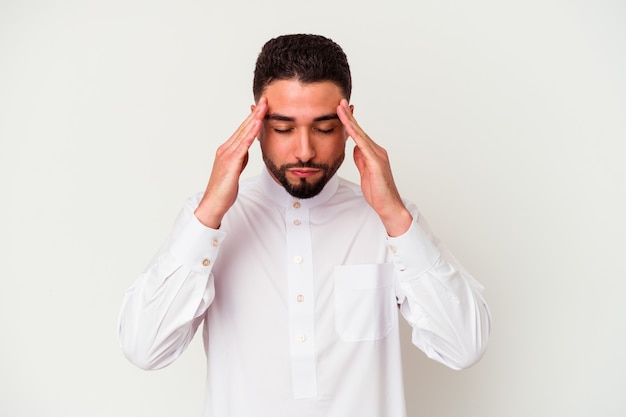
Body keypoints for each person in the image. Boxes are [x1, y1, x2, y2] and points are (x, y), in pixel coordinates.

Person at [118, 33, 490, 417]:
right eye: (283, 129)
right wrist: (211, 211)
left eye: (325, 128)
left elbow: (464, 347)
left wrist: (395, 215)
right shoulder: (211, 221)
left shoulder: (389, 220)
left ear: (349, 124)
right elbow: (145, 348)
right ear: (256, 123)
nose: (305, 150)